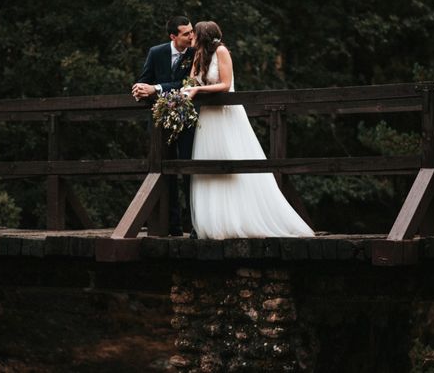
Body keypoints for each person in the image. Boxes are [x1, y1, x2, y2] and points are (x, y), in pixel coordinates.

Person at [181, 21, 314, 239]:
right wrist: (181, 95)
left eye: (194, 33)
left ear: (203, 34)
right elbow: (190, 82)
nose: (191, 36)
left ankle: (243, 218)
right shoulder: (198, 55)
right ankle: (215, 223)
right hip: (207, 116)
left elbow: (225, 84)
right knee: (208, 167)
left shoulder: (222, 51)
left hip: (226, 114)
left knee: (234, 163)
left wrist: (197, 89)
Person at [133, 16, 195, 237]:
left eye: (191, 31)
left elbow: (188, 84)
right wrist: (140, 89)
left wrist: (156, 88)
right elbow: (145, 79)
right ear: (173, 36)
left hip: (188, 122)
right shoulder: (156, 52)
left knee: (190, 171)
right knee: (163, 174)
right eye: (186, 33)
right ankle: (172, 226)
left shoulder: (196, 53)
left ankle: (195, 225)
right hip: (161, 123)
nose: (191, 36)